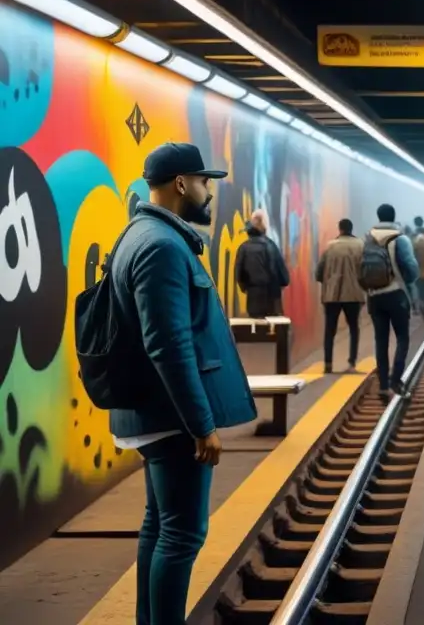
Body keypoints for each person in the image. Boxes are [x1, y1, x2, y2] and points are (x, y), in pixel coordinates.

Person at [108, 142, 257, 625]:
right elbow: (168, 345)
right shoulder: (161, 246)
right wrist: (201, 424)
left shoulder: (140, 233)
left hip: (156, 411)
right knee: (183, 534)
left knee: (160, 525)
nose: (208, 191)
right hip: (172, 416)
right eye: (203, 182)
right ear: (180, 184)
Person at [362, 204, 420, 398]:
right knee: (402, 337)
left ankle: (383, 385)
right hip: (396, 294)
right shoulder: (400, 239)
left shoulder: (367, 238)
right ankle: (396, 380)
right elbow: (412, 269)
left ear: (378, 217)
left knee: (381, 340)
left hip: (374, 297)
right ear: (394, 217)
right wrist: (407, 282)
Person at [315, 218, 364, 373]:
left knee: (330, 330)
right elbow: (365, 270)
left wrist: (329, 281)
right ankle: (352, 362)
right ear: (351, 229)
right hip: (354, 294)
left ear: (340, 229)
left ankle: (328, 364)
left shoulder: (330, 247)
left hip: (332, 295)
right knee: (354, 328)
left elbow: (318, 273)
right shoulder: (360, 246)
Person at [234, 208, 290, 318]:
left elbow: (239, 274)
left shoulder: (243, 248)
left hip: (253, 299)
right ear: (264, 227)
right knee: (273, 332)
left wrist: (246, 288)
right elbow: (285, 278)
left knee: (256, 332)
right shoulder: (272, 246)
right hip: (273, 299)